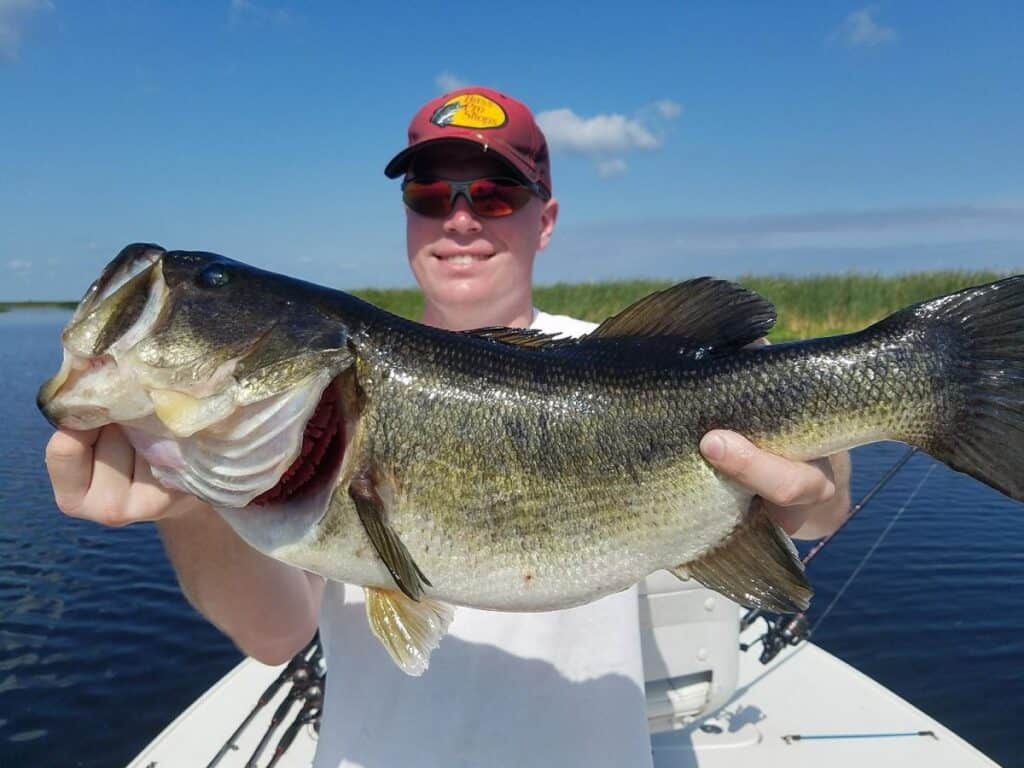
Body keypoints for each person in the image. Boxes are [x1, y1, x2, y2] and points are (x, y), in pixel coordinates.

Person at [44, 86, 851, 767]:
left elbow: (818, 499)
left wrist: (817, 492)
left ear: (547, 218)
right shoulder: (299, 430)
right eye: (430, 193)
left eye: (494, 194)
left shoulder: (633, 362)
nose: (459, 218)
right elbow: (277, 632)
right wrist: (188, 506)